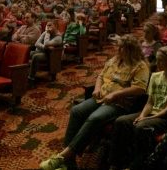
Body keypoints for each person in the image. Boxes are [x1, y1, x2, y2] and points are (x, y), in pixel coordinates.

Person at [40, 35, 149, 170]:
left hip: (119, 103)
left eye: (121, 48)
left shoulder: (140, 66)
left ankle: (64, 156)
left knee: (95, 117)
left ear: (130, 50)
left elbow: (140, 89)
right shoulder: (115, 59)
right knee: (76, 110)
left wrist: (116, 94)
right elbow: (101, 76)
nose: (117, 50)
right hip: (101, 97)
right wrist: (97, 89)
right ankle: (69, 162)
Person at [110, 47, 167, 169]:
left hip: (165, 118)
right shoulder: (155, 76)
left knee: (141, 126)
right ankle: (115, 163)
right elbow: (150, 103)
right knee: (121, 121)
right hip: (150, 114)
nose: (158, 64)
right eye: (157, 60)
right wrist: (142, 116)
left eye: (161, 60)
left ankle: (137, 164)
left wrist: (143, 120)